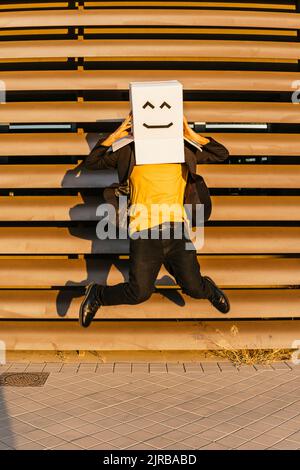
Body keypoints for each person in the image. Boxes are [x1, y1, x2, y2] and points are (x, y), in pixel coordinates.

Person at [79, 113, 230, 327]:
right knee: (138, 292)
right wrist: (115, 137)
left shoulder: (183, 149)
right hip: (144, 230)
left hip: (176, 230)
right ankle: (97, 294)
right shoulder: (129, 151)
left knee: (194, 288)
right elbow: (92, 163)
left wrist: (191, 134)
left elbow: (222, 154)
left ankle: (208, 289)